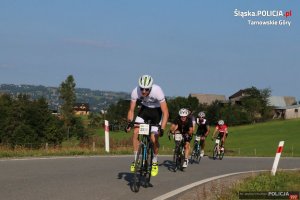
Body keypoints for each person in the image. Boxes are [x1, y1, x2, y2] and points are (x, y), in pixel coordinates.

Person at [126, 75, 169, 177]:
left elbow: (165, 112)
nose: (144, 91)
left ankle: (154, 161)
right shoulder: (135, 91)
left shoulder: (157, 90)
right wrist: (129, 123)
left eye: (146, 89)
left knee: (154, 138)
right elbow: (131, 110)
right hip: (144, 110)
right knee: (136, 131)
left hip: (156, 113)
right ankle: (136, 159)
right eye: (142, 89)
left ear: (151, 87)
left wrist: (162, 128)